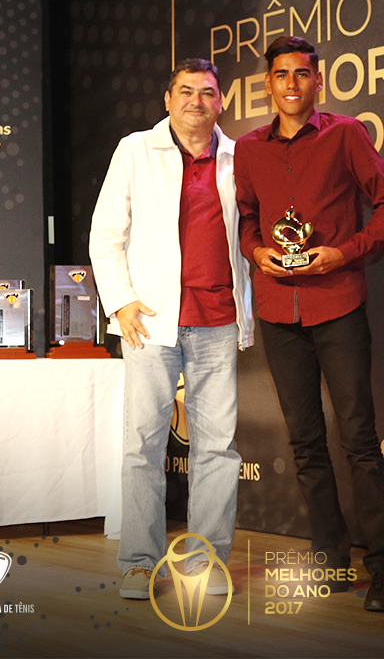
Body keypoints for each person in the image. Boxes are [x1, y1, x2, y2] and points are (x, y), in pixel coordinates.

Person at [234, 36, 384, 612]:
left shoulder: (346, 134)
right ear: (268, 84)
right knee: (306, 443)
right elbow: (248, 220)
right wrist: (257, 252)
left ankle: (382, 568)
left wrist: (344, 253)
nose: (291, 84)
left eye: (301, 74)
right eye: (281, 74)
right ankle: (331, 559)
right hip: (278, 311)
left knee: (359, 441)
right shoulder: (249, 150)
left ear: (317, 82)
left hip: (338, 303)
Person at [89, 58, 254, 600]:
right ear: (167, 99)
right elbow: (105, 234)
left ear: (221, 102)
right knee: (142, 446)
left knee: (218, 448)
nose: (195, 101)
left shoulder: (239, 157)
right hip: (150, 324)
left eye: (206, 92)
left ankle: (206, 560)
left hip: (218, 322)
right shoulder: (135, 149)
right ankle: (140, 563)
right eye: (185, 91)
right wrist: (121, 302)